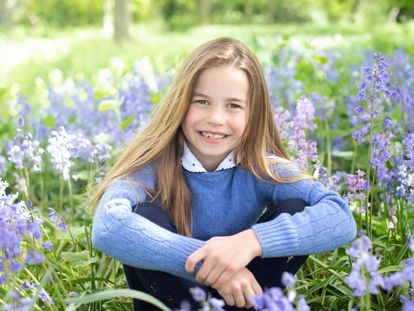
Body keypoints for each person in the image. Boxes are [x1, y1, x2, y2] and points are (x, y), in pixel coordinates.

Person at [90, 37, 357, 310]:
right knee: (145, 215)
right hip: (174, 301)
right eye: (202, 101)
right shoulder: (153, 167)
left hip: (242, 300)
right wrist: (211, 265)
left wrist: (250, 242)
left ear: (253, 114)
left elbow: (341, 217)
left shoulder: (262, 167)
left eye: (233, 105)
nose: (216, 118)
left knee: (297, 207)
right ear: (180, 104)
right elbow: (107, 226)